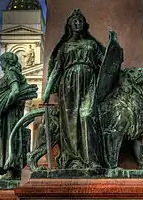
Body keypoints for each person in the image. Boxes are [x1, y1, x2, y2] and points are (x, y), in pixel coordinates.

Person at [43, 8, 106, 169]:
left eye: (80, 21)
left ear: (85, 24)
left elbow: (104, 65)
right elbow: (57, 69)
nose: (77, 23)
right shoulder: (64, 47)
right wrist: (47, 91)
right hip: (68, 85)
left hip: (89, 83)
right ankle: (74, 160)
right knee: (70, 122)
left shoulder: (91, 45)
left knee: (87, 116)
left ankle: (92, 159)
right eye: (74, 21)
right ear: (69, 25)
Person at [0, 52, 37, 180]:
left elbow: (15, 91)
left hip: (9, 114)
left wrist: (4, 105)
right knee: (0, 140)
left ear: (7, 62)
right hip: (1, 115)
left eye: (2, 61)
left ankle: (11, 169)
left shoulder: (11, 73)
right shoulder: (9, 74)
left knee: (9, 139)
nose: (0, 64)